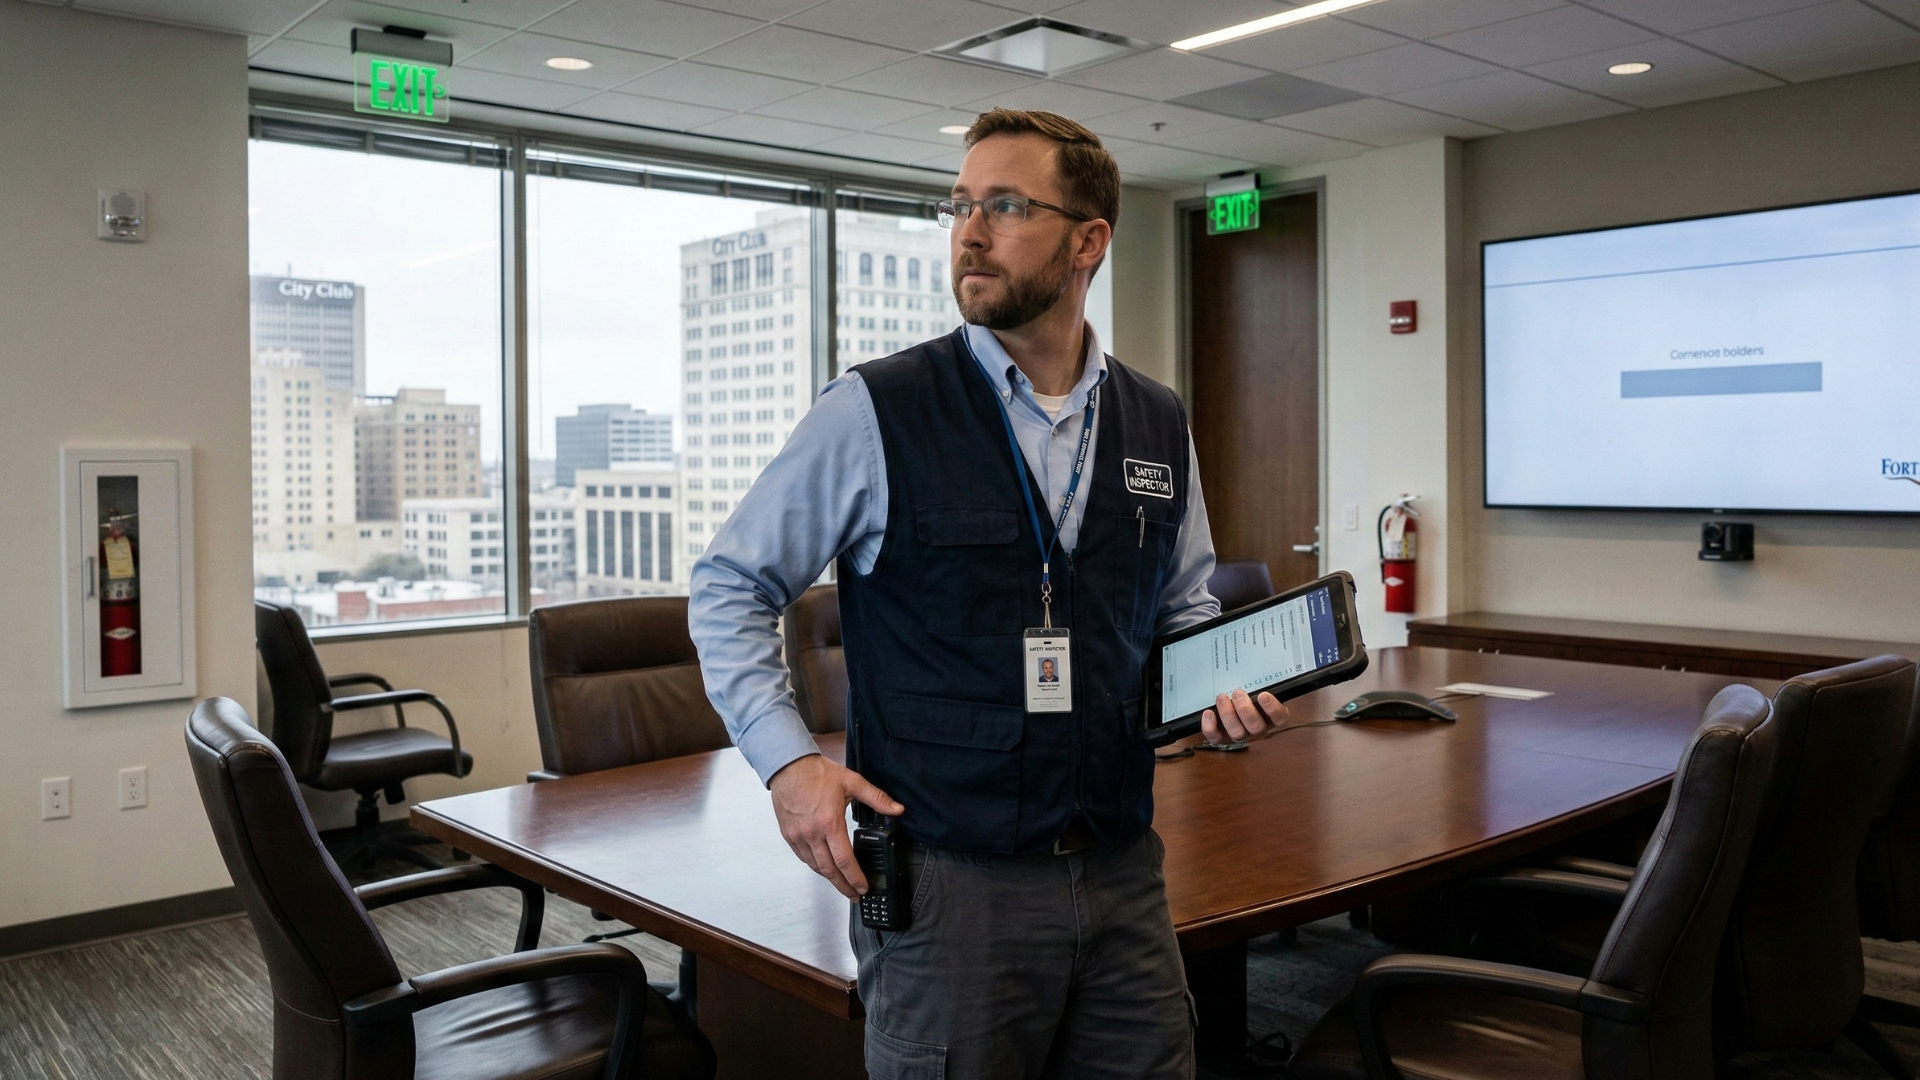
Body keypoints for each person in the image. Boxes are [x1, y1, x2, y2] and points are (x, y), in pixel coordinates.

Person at [688, 108, 1288, 1080]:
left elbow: (1183, 606)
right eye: (960, 205)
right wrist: (788, 763)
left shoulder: (1155, 419)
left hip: (1121, 870)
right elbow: (730, 583)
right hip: (948, 886)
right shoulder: (877, 409)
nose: (969, 232)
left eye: (1005, 206)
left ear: (1088, 241)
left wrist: (1218, 685)